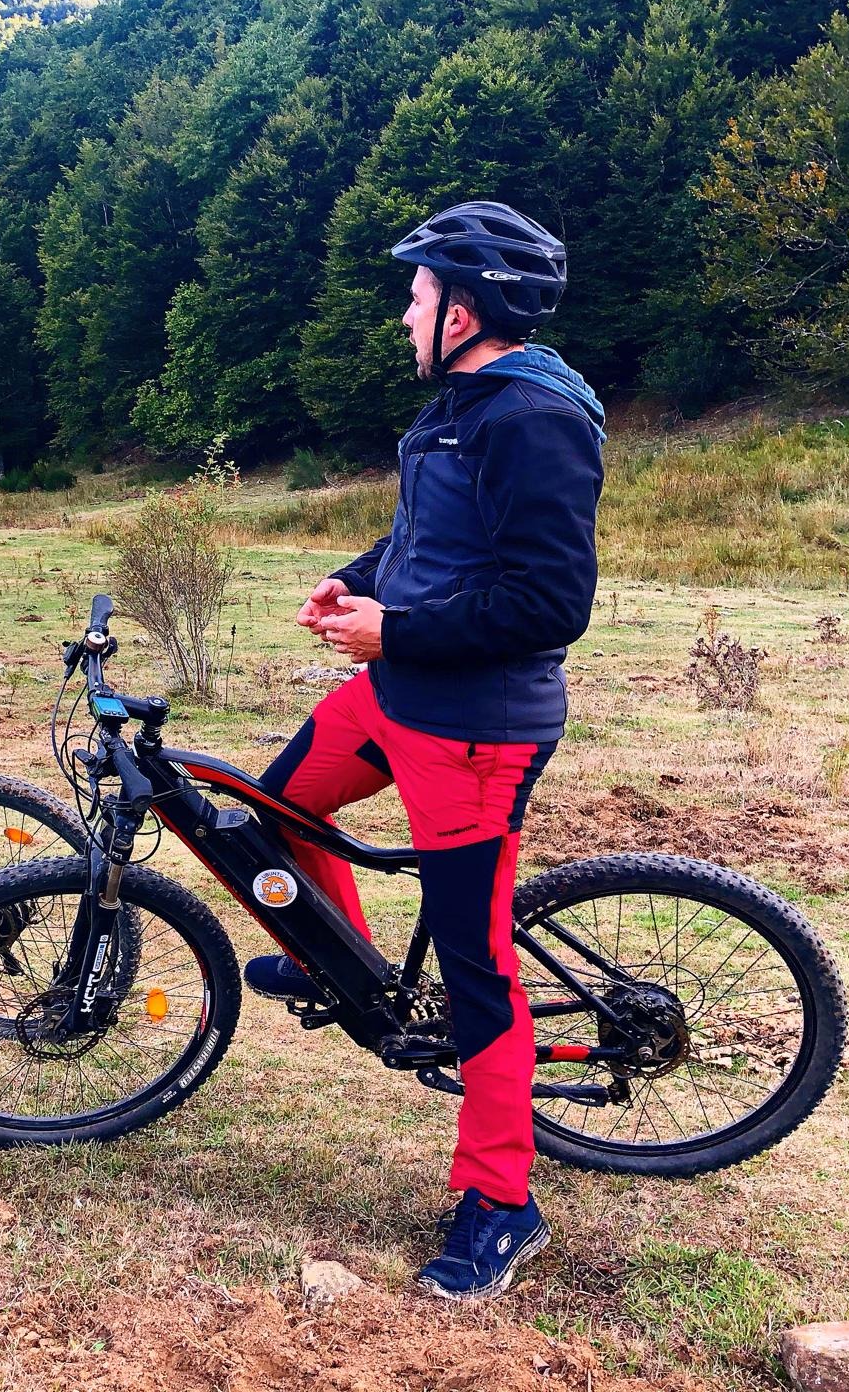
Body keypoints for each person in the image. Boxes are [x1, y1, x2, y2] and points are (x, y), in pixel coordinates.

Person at [244, 202, 605, 1299]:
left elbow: (550, 600)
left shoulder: (533, 419)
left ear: (466, 308)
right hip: (397, 696)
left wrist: (392, 629)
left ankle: (503, 1202)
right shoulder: (461, 404)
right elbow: (429, 536)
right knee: (274, 813)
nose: (403, 314)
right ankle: (342, 962)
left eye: (416, 296)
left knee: (474, 969)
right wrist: (357, 581)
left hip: (479, 730)